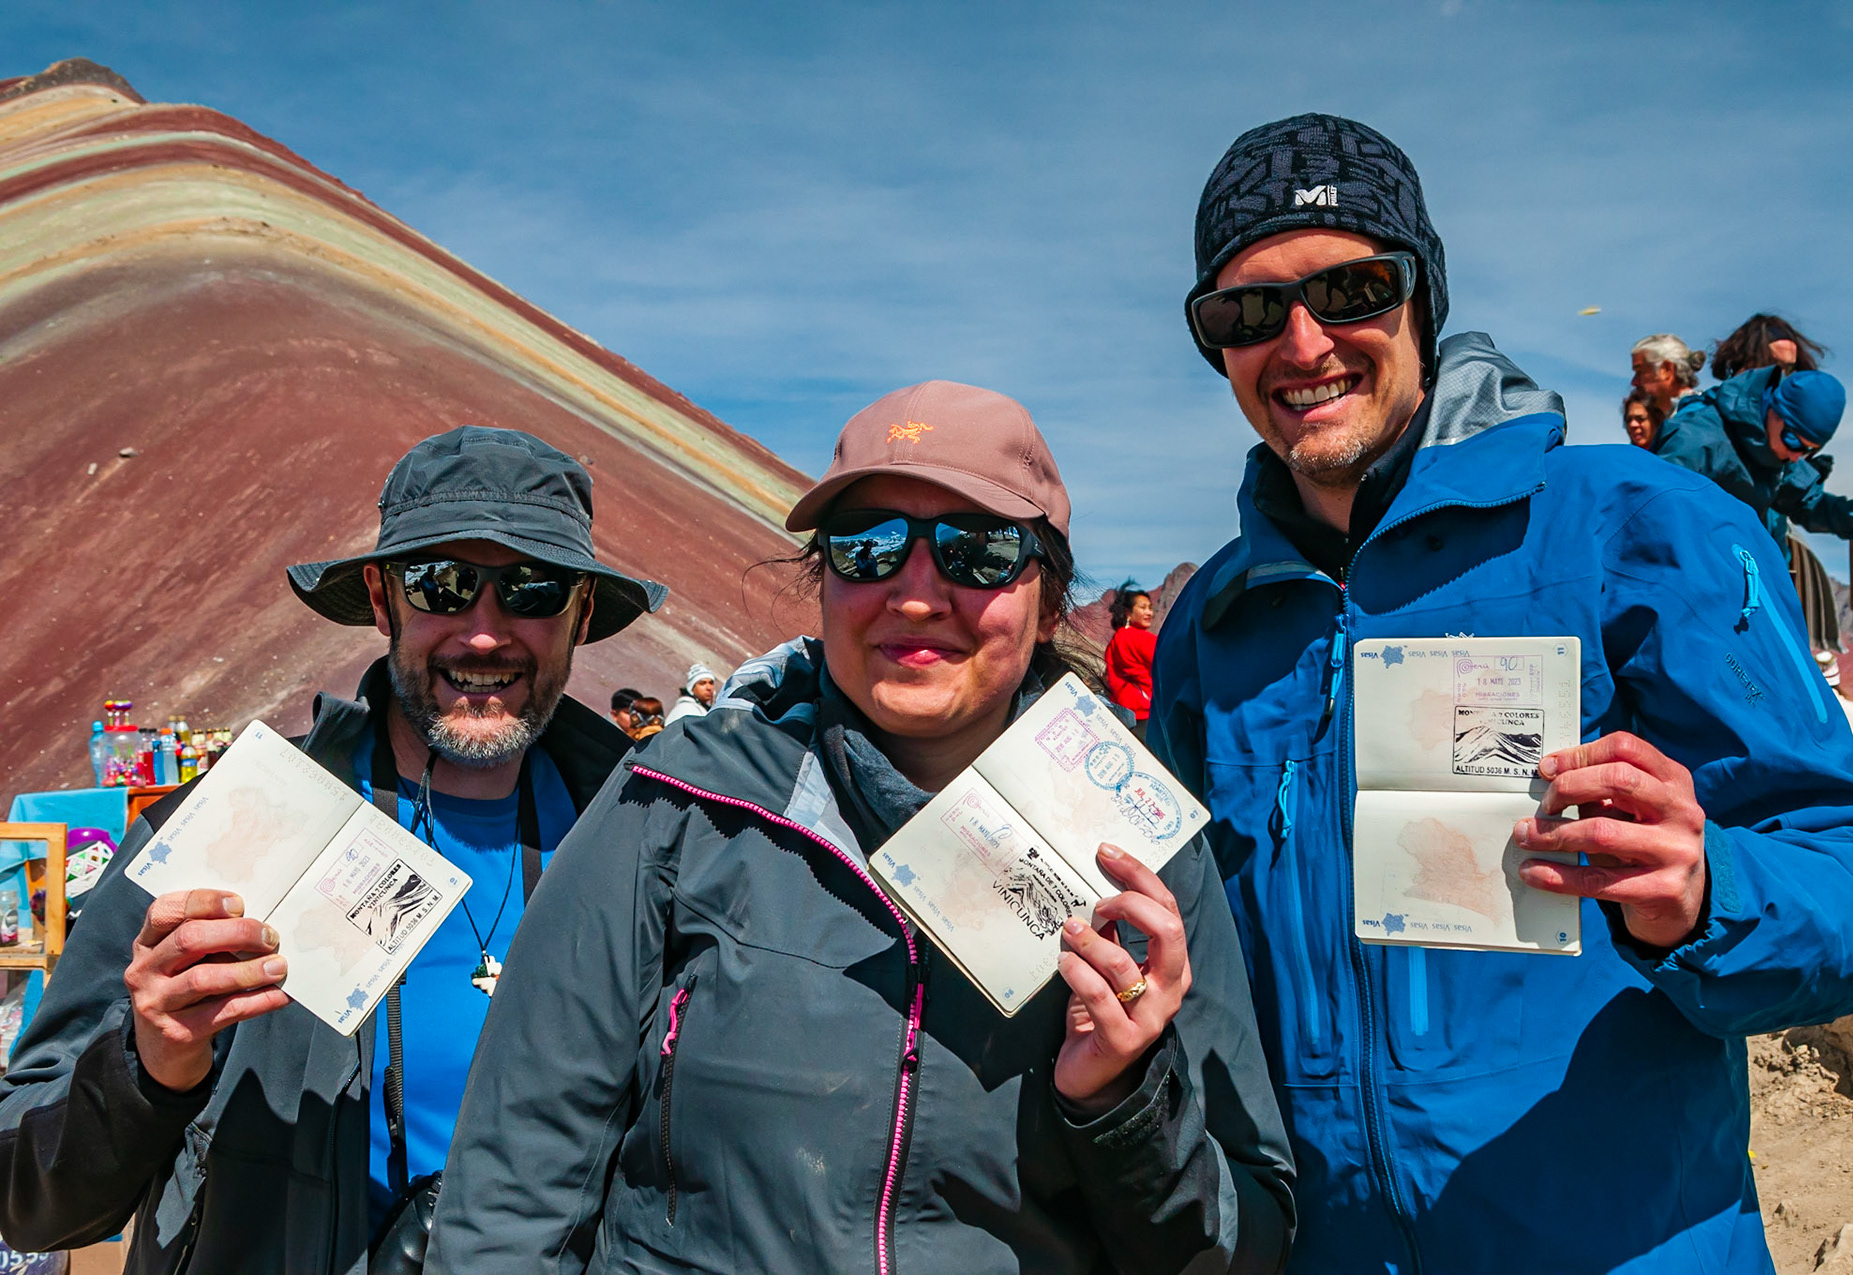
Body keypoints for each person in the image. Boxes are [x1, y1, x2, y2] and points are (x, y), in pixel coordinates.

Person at [1160, 112, 1853, 1273]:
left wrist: (1712, 887)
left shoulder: (1635, 526)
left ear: (1424, 297)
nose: (1303, 343)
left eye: (1353, 288)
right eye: (1248, 312)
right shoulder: (1209, 628)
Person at [425, 380, 1297, 1274]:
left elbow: (1243, 1243)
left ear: (1047, 597)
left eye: (981, 550)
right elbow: (511, 1191)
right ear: (824, 579)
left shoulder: (1139, 855)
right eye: (868, 545)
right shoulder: (677, 804)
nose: (916, 595)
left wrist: (1121, 1101)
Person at [0, 426, 665, 1273]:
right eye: (443, 585)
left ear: (579, 615)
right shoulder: (229, 831)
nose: (486, 633)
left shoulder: (645, 840)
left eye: (532, 590)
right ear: (385, 601)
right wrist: (150, 1063)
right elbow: (30, 1200)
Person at [1652, 364, 1853, 556]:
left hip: (1749, 585)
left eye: (1808, 450)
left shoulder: (1776, 453)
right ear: (1774, 409)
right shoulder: (1696, 439)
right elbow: (1655, 516)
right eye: (1793, 440)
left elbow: (1811, 505)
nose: (1795, 456)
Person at [1103, 579, 1157, 733]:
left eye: (1150, 608)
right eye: (1143, 607)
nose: (1149, 612)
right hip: (1146, 714)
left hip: (1123, 714)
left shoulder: (1117, 639)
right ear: (1128, 612)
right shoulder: (1140, 638)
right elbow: (1170, 665)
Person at [1712, 312, 1828, 382]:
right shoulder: (1705, 416)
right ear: (1748, 363)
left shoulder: (1793, 416)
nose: (1784, 375)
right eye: (1775, 365)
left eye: (1790, 368)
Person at [1630, 332, 1706, 420]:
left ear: (1666, 369)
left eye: (1640, 372)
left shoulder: (1693, 417)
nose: (1634, 382)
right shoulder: (1678, 417)